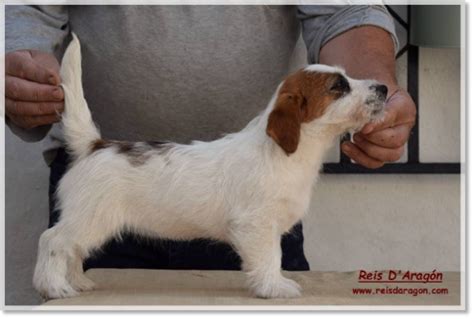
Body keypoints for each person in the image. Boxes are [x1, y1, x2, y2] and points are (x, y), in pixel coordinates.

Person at [5, 5, 416, 271]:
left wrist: (376, 91)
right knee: (77, 241)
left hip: (236, 198)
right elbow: (27, 9)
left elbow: (344, 10)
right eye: (340, 88)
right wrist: (19, 57)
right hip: (116, 178)